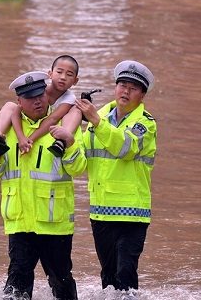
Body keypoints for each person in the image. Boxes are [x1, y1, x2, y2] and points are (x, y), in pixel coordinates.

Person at [0, 70, 87, 300]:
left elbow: (79, 168)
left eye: (40, 94)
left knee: (61, 282)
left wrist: (68, 144)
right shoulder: (6, 129)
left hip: (54, 223)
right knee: (17, 282)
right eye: (30, 97)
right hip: (19, 222)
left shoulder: (64, 124)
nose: (37, 100)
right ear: (19, 102)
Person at [75, 60, 157, 294]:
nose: (126, 91)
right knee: (108, 277)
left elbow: (126, 148)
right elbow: (80, 160)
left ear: (142, 95)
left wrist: (96, 121)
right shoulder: (96, 117)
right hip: (100, 210)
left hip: (132, 212)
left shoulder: (145, 124)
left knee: (125, 273)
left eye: (133, 87)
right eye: (122, 84)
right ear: (115, 87)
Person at [0, 55, 81, 157]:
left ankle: (61, 141)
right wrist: (21, 137)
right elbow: (16, 112)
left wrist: (30, 140)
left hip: (49, 124)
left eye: (69, 74)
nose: (63, 77)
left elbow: (53, 119)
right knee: (9, 105)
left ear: (75, 81)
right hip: (34, 119)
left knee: (77, 108)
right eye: (59, 72)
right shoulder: (40, 89)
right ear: (50, 74)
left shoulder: (69, 98)